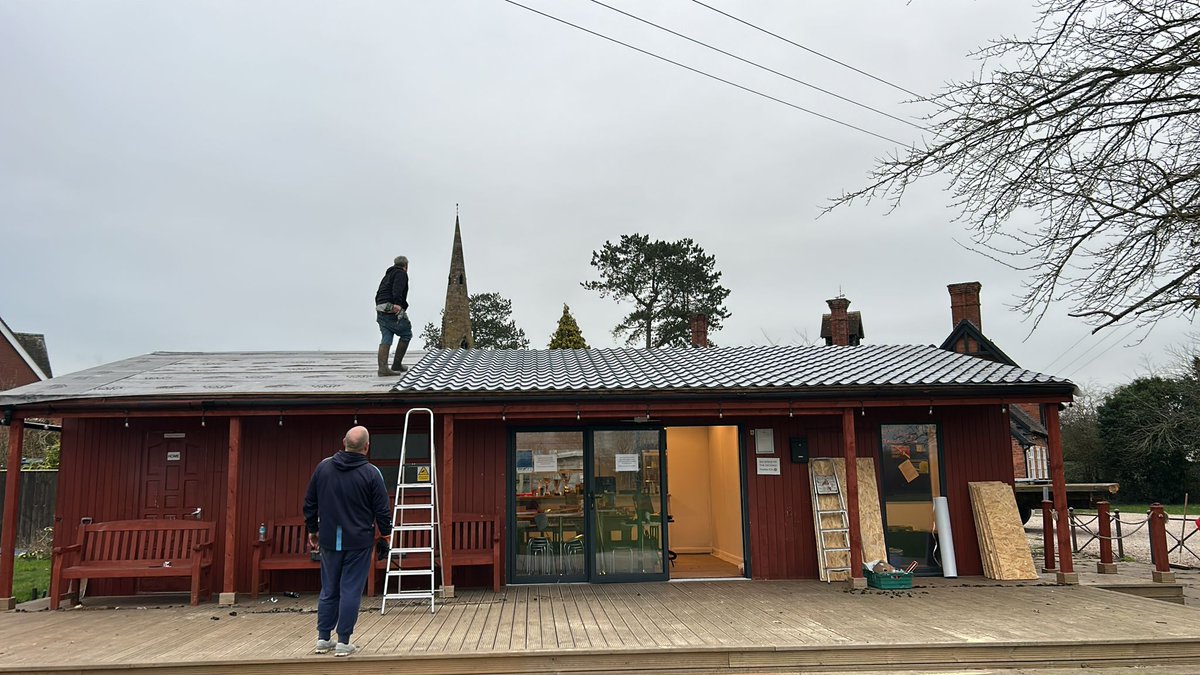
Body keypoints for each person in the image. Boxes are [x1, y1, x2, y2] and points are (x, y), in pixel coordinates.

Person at [304, 426, 391, 657]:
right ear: (366, 447)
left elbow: (310, 502)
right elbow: (382, 510)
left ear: (344, 442)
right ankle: (343, 642)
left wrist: (313, 529)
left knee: (329, 589)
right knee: (350, 589)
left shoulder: (323, 468)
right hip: (358, 540)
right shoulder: (372, 473)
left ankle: (323, 638)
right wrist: (386, 535)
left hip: (330, 539)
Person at [374, 255, 412, 376]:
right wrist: (397, 304)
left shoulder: (387, 276)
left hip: (380, 308)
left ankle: (383, 368)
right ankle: (396, 364)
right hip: (391, 307)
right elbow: (398, 289)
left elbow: (378, 294)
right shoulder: (401, 274)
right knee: (406, 333)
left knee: (387, 336)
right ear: (406, 266)